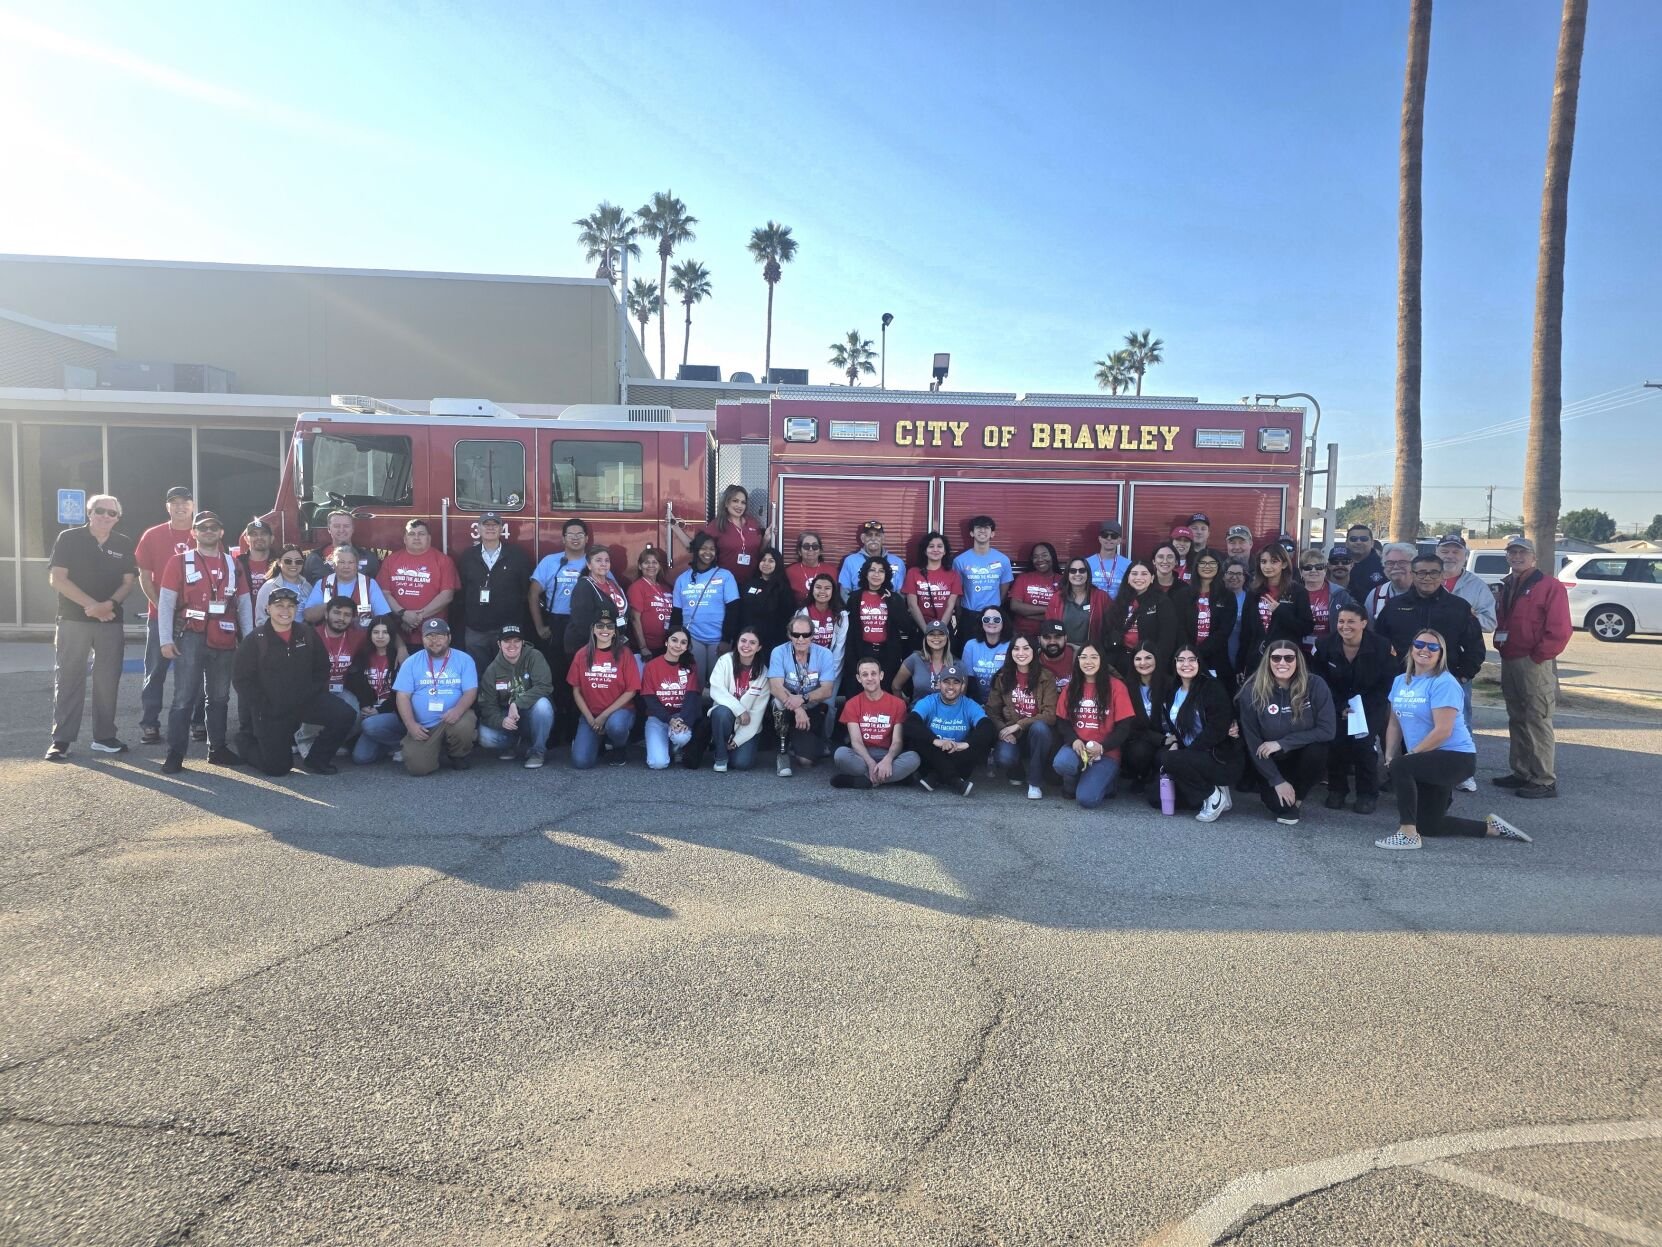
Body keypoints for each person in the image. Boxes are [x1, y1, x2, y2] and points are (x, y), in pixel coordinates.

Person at [1375, 629, 1532, 851]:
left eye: (1432, 647)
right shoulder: (1400, 681)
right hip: (1428, 758)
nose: (1424, 650)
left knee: (1403, 766)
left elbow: (1443, 731)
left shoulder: (1444, 683)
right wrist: (1390, 754)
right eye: (1419, 644)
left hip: (1456, 758)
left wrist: (1409, 757)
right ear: (1411, 648)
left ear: (1441, 654)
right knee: (1430, 825)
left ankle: (1407, 834)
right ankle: (1491, 828)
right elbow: (1393, 723)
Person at [1376, 552, 1487, 790]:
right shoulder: (1395, 606)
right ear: (1413, 575)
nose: (1427, 578)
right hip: (1406, 681)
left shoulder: (1458, 607)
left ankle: (1449, 778)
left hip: (1447, 683)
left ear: (1442, 575)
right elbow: (1380, 643)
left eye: (1433, 572)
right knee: (1404, 725)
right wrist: (1389, 675)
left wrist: (1463, 675)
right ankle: (1400, 773)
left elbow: (1475, 646)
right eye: (1421, 572)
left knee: (1450, 728)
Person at [156, 511, 254, 773]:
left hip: (224, 633)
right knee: (184, 697)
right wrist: (165, 639)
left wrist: (250, 638)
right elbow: (165, 604)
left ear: (221, 532)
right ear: (194, 533)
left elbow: (244, 603)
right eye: (203, 527)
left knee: (220, 696)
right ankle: (175, 753)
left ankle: (217, 748)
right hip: (191, 634)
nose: (208, 531)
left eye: (214, 527)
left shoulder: (233, 564)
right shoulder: (179, 562)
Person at [47, 492, 136, 761]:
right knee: (69, 679)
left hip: (110, 620)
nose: (105, 517)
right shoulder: (69, 539)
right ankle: (61, 740)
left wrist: (108, 604)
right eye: (100, 511)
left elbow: (128, 582)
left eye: (112, 513)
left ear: (118, 518)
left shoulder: (123, 542)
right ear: (89, 513)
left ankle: (104, 737)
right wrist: (92, 607)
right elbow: (57, 579)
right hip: (74, 620)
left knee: (107, 681)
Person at [231, 586, 356, 776]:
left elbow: (322, 668)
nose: (285, 611)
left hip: (304, 701)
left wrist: (310, 693)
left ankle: (317, 759)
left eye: (290, 606)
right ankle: (246, 743)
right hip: (271, 708)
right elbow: (242, 679)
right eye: (279, 606)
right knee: (277, 768)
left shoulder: (306, 633)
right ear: (268, 609)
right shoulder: (256, 639)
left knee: (345, 714)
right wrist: (263, 705)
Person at [1491, 535, 1571, 800]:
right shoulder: (1508, 585)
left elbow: (1560, 629)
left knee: (1537, 718)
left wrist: (1539, 655)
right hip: (1510, 658)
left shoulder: (1549, 586)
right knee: (1517, 716)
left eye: (1522, 553)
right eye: (1512, 553)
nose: (1516, 557)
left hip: (1533, 661)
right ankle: (1522, 770)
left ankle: (1544, 779)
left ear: (1534, 557)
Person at [1236, 643, 1336, 825]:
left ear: (1298, 661)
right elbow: (1253, 743)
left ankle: (1299, 795)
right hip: (1270, 761)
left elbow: (1327, 730)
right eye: (1276, 658)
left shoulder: (1315, 685)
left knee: (1318, 749)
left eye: (1289, 658)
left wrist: (1283, 743)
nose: (1282, 662)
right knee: (1281, 809)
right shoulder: (1252, 691)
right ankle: (1282, 791)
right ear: (1268, 661)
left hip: (1302, 756)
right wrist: (1276, 780)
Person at [366, 617, 478, 775]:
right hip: (424, 726)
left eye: (439, 636)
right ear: (423, 639)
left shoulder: (464, 660)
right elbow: (402, 696)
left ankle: (457, 755)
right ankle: (434, 750)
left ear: (449, 637)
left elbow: (470, 691)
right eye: (429, 636)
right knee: (418, 768)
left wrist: (458, 711)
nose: (435, 640)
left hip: (452, 719)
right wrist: (411, 725)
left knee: (465, 722)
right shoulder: (411, 662)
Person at [1315, 603, 1394, 814]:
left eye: (1351, 621)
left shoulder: (1382, 646)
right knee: (1336, 745)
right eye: (1341, 621)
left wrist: (1362, 709)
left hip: (1370, 704)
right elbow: (1319, 681)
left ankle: (1367, 794)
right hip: (1336, 702)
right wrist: (1340, 706)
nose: (1345, 626)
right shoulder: (1324, 645)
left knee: (1363, 747)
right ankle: (1337, 790)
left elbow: (1386, 683)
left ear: (1364, 623)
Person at [135, 484, 198, 745]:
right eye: (175, 502)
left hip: (194, 619)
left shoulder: (203, 533)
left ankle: (197, 723)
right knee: (155, 671)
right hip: (159, 616)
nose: (180, 506)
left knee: (193, 671)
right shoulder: (153, 535)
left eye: (185, 501)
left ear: (192, 505)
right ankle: (150, 723)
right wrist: (163, 608)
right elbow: (145, 577)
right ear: (167, 507)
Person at [1160, 646, 1243, 822]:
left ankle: (1213, 796)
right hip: (1194, 755)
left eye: (1192, 659)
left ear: (1199, 662)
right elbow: (1176, 727)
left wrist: (1187, 753)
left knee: (1170, 759)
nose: (1186, 664)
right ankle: (1219, 790)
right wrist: (1178, 744)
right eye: (1181, 660)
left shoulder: (1211, 687)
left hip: (1218, 756)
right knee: (1156, 795)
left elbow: (1218, 728)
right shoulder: (1172, 691)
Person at [1050, 643, 1134, 808]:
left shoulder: (1117, 686)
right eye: (1084, 657)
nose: (1088, 661)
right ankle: (1074, 782)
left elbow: (1124, 726)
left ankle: (1108, 783)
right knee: (1062, 763)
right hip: (1078, 747)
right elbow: (1062, 720)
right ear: (1078, 661)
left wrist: (1102, 747)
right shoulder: (1072, 686)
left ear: (1102, 660)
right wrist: (1073, 740)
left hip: (1106, 752)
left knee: (1087, 800)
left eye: (1094, 657)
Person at [457, 512, 533, 673]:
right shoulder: (467, 556)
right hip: (476, 629)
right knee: (477, 673)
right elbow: (461, 592)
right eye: (486, 524)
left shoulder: (517, 555)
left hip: (508, 630)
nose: (490, 528)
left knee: (509, 675)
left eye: (494, 524)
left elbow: (525, 591)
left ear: (501, 528)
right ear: (479, 528)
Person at [904, 664, 995, 796]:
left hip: (958, 754)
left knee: (979, 741)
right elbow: (910, 723)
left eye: (956, 682)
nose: (951, 687)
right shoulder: (929, 701)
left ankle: (935, 777)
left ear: (963, 686)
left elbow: (987, 727)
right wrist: (936, 741)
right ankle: (955, 781)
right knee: (919, 737)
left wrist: (965, 744)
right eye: (946, 682)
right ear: (939, 684)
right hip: (932, 756)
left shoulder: (969, 704)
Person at [986, 634, 1058, 799]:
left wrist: (1020, 725)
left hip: (1037, 733)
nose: (1021, 653)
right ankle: (1016, 770)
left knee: (1040, 728)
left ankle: (1034, 782)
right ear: (1010, 652)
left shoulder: (1046, 677)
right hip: (1012, 732)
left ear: (1034, 651)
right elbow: (991, 709)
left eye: (1026, 648)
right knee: (1004, 757)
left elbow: (1050, 715)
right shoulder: (1003, 677)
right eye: (1016, 648)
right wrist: (1003, 729)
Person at [832, 657, 922, 789]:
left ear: (881, 675)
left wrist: (888, 759)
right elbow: (856, 741)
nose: (869, 678)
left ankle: (864, 781)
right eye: (865, 674)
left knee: (914, 758)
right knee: (840, 755)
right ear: (858, 678)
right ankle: (892, 778)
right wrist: (870, 763)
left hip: (887, 752)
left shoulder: (898, 704)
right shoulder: (852, 704)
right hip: (862, 755)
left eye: (873, 673)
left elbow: (897, 741)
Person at [475, 624, 555, 768]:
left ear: (522, 643)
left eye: (516, 641)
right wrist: (502, 721)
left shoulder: (534, 656)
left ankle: (537, 752)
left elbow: (544, 686)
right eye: (507, 641)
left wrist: (516, 703)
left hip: (531, 713)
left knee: (543, 706)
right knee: (485, 736)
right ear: (499, 644)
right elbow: (487, 706)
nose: (512, 645)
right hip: (508, 718)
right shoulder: (492, 670)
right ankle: (511, 744)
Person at [567, 610, 639, 769]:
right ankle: (597, 740)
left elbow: (631, 691)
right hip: (591, 714)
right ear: (593, 629)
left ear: (615, 631)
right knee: (581, 762)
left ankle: (618, 747)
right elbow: (576, 690)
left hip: (619, 712)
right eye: (600, 626)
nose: (605, 630)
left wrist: (604, 716)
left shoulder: (625, 654)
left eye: (609, 626)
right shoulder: (582, 654)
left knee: (616, 727)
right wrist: (591, 719)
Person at [767, 616, 839, 773]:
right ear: (789, 634)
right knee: (777, 702)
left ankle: (803, 740)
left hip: (812, 705)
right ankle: (785, 744)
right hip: (787, 705)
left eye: (805, 635)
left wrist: (803, 700)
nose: (800, 639)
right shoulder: (779, 652)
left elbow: (827, 690)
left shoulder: (825, 654)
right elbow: (775, 687)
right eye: (796, 634)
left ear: (812, 635)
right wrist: (798, 708)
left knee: (806, 761)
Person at [377, 519, 460, 646]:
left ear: (429, 538)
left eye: (421, 534)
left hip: (433, 635)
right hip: (398, 635)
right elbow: (384, 593)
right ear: (405, 539)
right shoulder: (390, 560)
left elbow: (447, 596)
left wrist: (415, 618)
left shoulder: (444, 561)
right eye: (411, 534)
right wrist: (403, 614)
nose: (416, 537)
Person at [699, 628, 770, 772]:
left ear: (759, 647)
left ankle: (726, 744)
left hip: (748, 724)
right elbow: (716, 690)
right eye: (743, 641)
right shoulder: (725, 661)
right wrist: (740, 710)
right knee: (721, 712)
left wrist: (737, 741)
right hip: (726, 717)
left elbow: (757, 713)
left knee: (741, 764)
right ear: (737, 643)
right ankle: (720, 757)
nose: (746, 646)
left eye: (752, 643)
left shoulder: (764, 673)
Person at [672, 532, 741, 682]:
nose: (708, 552)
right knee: (696, 682)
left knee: (717, 683)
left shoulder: (725, 576)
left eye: (712, 549)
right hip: (693, 638)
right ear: (696, 550)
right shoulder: (682, 579)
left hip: (718, 639)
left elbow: (733, 610)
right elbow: (676, 613)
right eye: (703, 548)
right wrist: (675, 639)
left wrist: (726, 639)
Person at [529, 517, 592, 673]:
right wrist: (539, 627)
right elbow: (533, 594)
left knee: (582, 672)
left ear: (586, 538)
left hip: (584, 625)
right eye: (571, 534)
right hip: (556, 624)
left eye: (580, 534)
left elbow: (611, 592)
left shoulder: (595, 562)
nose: (575, 538)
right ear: (563, 538)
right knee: (556, 672)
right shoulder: (550, 561)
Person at [1239, 544, 1313, 676]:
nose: (1267, 566)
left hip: (1285, 660)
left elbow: (1306, 628)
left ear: (1284, 564)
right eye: (1263, 562)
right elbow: (1246, 633)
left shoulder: (1298, 591)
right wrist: (1241, 665)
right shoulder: (1254, 592)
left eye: (1274, 561)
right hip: (1257, 661)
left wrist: (1280, 611)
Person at [345, 614, 407, 765]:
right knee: (361, 758)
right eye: (376, 632)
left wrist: (381, 710)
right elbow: (357, 685)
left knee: (369, 726)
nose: (380, 636)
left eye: (385, 632)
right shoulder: (362, 656)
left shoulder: (399, 657)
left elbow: (403, 693)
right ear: (370, 634)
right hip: (372, 712)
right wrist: (365, 705)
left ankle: (403, 744)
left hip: (394, 712)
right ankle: (389, 745)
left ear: (391, 635)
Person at [843, 556, 910, 695]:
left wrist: (891, 602)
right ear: (865, 574)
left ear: (886, 575)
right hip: (861, 652)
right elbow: (849, 630)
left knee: (884, 693)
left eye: (881, 571)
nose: (876, 574)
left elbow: (906, 626)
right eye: (872, 570)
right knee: (859, 694)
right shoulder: (855, 597)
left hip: (887, 654)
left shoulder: (894, 598)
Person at [640, 627, 703, 770]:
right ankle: (664, 745)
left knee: (681, 737)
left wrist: (684, 720)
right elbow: (649, 699)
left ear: (687, 647)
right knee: (658, 763)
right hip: (658, 717)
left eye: (683, 642)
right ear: (666, 642)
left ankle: (676, 745)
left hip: (680, 717)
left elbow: (691, 695)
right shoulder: (651, 666)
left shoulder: (690, 666)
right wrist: (669, 719)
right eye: (674, 640)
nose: (677, 645)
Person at [1106, 561, 1180, 678]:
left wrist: (1156, 662)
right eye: (1134, 574)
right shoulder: (1119, 603)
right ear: (1128, 578)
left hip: (1150, 663)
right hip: (1121, 663)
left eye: (1144, 574)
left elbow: (1167, 639)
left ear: (1152, 578)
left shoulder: (1162, 602)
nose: (1139, 577)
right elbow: (1108, 634)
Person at [677, 484, 766, 577]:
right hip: (725, 582)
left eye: (743, 502)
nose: (739, 505)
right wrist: (675, 527)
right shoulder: (717, 525)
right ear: (726, 503)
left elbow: (759, 551)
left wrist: (766, 539)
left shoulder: (752, 523)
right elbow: (695, 546)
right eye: (735, 501)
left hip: (751, 581)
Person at [952, 515, 1013, 638]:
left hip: (993, 616)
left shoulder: (1003, 560)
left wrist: (994, 607)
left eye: (986, 527)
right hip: (969, 615)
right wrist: (959, 614)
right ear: (971, 533)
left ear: (992, 534)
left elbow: (1004, 591)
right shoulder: (960, 561)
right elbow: (957, 591)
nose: (982, 530)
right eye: (978, 527)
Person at [562, 544, 630, 655]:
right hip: (589, 648)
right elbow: (582, 623)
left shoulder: (613, 583)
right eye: (598, 560)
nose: (603, 564)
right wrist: (602, 645)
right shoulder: (584, 586)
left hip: (613, 643)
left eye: (606, 560)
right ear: (589, 565)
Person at [1118, 645, 1168, 792]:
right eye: (1138, 659)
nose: (1143, 663)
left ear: (1156, 660)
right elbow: (1128, 726)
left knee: (1163, 757)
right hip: (1140, 738)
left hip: (1170, 737)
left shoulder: (1170, 684)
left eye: (1148, 658)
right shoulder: (1126, 687)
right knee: (1138, 752)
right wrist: (1159, 739)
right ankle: (1141, 776)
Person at [302, 545, 390, 628]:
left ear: (357, 565)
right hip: (329, 640)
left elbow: (383, 617)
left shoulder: (370, 584)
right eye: (341, 562)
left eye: (350, 562)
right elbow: (308, 615)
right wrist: (331, 605)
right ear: (334, 565)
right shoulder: (322, 583)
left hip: (361, 640)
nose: (346, 566)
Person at [1187, 551, 1238, 684]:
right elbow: (1179, 626)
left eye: (1212, 563)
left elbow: (1224, 630)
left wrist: (1200, 652)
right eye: (1202, 563)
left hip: (1216, 658)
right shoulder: (1183, 595)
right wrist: (1190, 652)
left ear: (1219, 566)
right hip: (1187, 657)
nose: (1207, 566)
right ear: (1196, 566)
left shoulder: (1227, 596)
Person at [1296, 548, 1356, 659]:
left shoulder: (1340, 594)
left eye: (1319, 567)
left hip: (1329, 652)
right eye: (1308, 567)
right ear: (1301, 572)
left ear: (1325, 570)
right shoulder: (1292, 594)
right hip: (1299, 651)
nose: (1313, 571)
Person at [737, 546, 795, 656]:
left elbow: (786, 617)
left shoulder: (783, 588)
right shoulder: (749, 584)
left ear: (777, 564)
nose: (766, 564)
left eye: (771, 561)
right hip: (748, 640)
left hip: (772, 642)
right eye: (763, 560)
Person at [902, 531, 962, 634]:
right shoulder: (913, 573)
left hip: (944, 627)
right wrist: (926, 630)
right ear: (925, 551)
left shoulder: (953, 575)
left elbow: (950, 605)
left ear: (944, 551)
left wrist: (941, 630)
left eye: (939, 546)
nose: (935, 550)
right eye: (931, 546)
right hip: (919, 628)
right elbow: (912, 605)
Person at [1047, 556, 1112, 650]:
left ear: (1088, 573)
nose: (1077, 574)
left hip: (1092, 653)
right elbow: (1050, 628)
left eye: (1082, 570)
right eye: (1073, 571)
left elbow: (1111, 625)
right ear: (1067, 574)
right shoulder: (1057, 598)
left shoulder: (1101, 597)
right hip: (1064, 651)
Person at [1435, 533, 1498, 632]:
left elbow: (1490, 624)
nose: (1450, 556)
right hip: (1427, 646)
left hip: (1461, 646)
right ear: (1436, 555)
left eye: (1456, 552)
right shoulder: (1424, 581)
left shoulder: (1478, 586)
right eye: (1444, 551)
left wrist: (1464, 616)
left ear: (1465, 557)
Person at [797, 573, 850, 688]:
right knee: (806, 702)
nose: (822, 591)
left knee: (827, 704)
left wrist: (830, 674)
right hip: (806, 666)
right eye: (818, 587)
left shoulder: (842, 615)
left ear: (833, 591)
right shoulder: (802, 612)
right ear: (812, 590)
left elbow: (840, 647)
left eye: (827, 588)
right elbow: (798, 644)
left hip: (831, 666)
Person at [303, 507, 381, 582]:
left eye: (346, 526)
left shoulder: (368, 558)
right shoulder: (315, 558)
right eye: (337, 526)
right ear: (329, 529)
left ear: (353, 529)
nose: (341, 530)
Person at [627, 546, 676, 659]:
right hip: (648, 649)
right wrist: (643, 647)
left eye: (655, 562)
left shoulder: (666, 588)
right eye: (646, 562)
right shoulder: (637, 587)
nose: (651, 566)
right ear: (640, 566)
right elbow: (635, 619)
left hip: (666, 647)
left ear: (659, 566)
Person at [837, 520, 907, 595]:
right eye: (869, 535)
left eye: (877, 535)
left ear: (883, 538)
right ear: (862, 538)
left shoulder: (898, 562)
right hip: (858, 605)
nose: (873, 538)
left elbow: (901, 594)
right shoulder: (850, 561)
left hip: (890, 605)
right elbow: (844, 593)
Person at [893, 619, 955, 703]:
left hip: (946, 714)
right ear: (925, 638)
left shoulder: (957, 664)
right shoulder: (914, 659)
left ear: (947, 638)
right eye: (931, 634)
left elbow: (961, 696)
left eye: (941, 634)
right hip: (918, 714)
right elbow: (896, 686)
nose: (936, 637)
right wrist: (903, 709)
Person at [1010, 542, 1063, 638]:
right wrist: (1048, 609)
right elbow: (1015, 606)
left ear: (1052, 556)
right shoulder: (1023, 578)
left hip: (1051, 636)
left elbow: (1063, 612)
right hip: (1022, 635)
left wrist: (1027, 614)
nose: (1040, 559)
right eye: (1035, 556)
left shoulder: (1062, 581)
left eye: (1044, 555)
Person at [960, 608, 1011, 702]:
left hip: (1003, 700)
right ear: (981, 623)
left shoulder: (1011, 645)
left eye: (996, 619)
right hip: (975, 699)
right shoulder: (971, 645)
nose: (991, 622)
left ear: (1003, 623)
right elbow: (969, 678)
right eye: (986, 619)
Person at [255, 544, 311, 627]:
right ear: (278, 562)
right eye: (288, 561)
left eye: (298, 561)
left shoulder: (308, 587)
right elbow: (261, 620)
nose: (293, 564)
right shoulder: (269, 587)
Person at [1364, 543, 1416, 622]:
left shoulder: (1426, 592)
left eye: (1402, 562)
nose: (1395, 567)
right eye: (1390, 563)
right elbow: (1369, 629)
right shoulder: (1376, 595)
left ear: (1414, 565)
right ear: (1384, 567)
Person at [785, 531, 832, 605]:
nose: (811, 549)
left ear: (820, 551)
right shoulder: (789, 572)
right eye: (806, 546)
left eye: (815, 546)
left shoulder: (831, 571)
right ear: (799, 551)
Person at [1087, 522, 1131, 599]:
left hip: (1118, 609)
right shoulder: (1087, 563)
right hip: (1093, 608)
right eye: (1105, 535)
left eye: (1114, 536)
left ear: (1119, 540)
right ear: (1100, 538)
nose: (1109, 538)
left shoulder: (1128, 564)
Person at [236, 519, 276, 598]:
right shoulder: (237, 563)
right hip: (244, 610)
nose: (259, 537)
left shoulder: (281, 563)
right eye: (254, 534)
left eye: (264, 533)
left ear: (272, 538)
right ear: (246, 539)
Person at [1223, 560, 1249, 673]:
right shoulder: (1217, 598)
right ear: (1223, 576)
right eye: (1230, 573)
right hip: (1222, 652)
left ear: (1244, 577)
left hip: (1242, 651)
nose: (1234, 577)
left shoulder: (1251, 599)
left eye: (1239, 574)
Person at [1345, 524, 1386, 593]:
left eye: (1364, 539)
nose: (1358, 542)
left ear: (1372, 543)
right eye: (1353, 539)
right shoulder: (1336, 564)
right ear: (1346, 543)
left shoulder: (1384, 565)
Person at [1037, 620, 1075, 694]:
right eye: (1047, 637)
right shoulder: (1032, 660)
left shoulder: (1081, 656)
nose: (1052, 642)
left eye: (1057, 637)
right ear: (1039, 639)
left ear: (1065, 638)